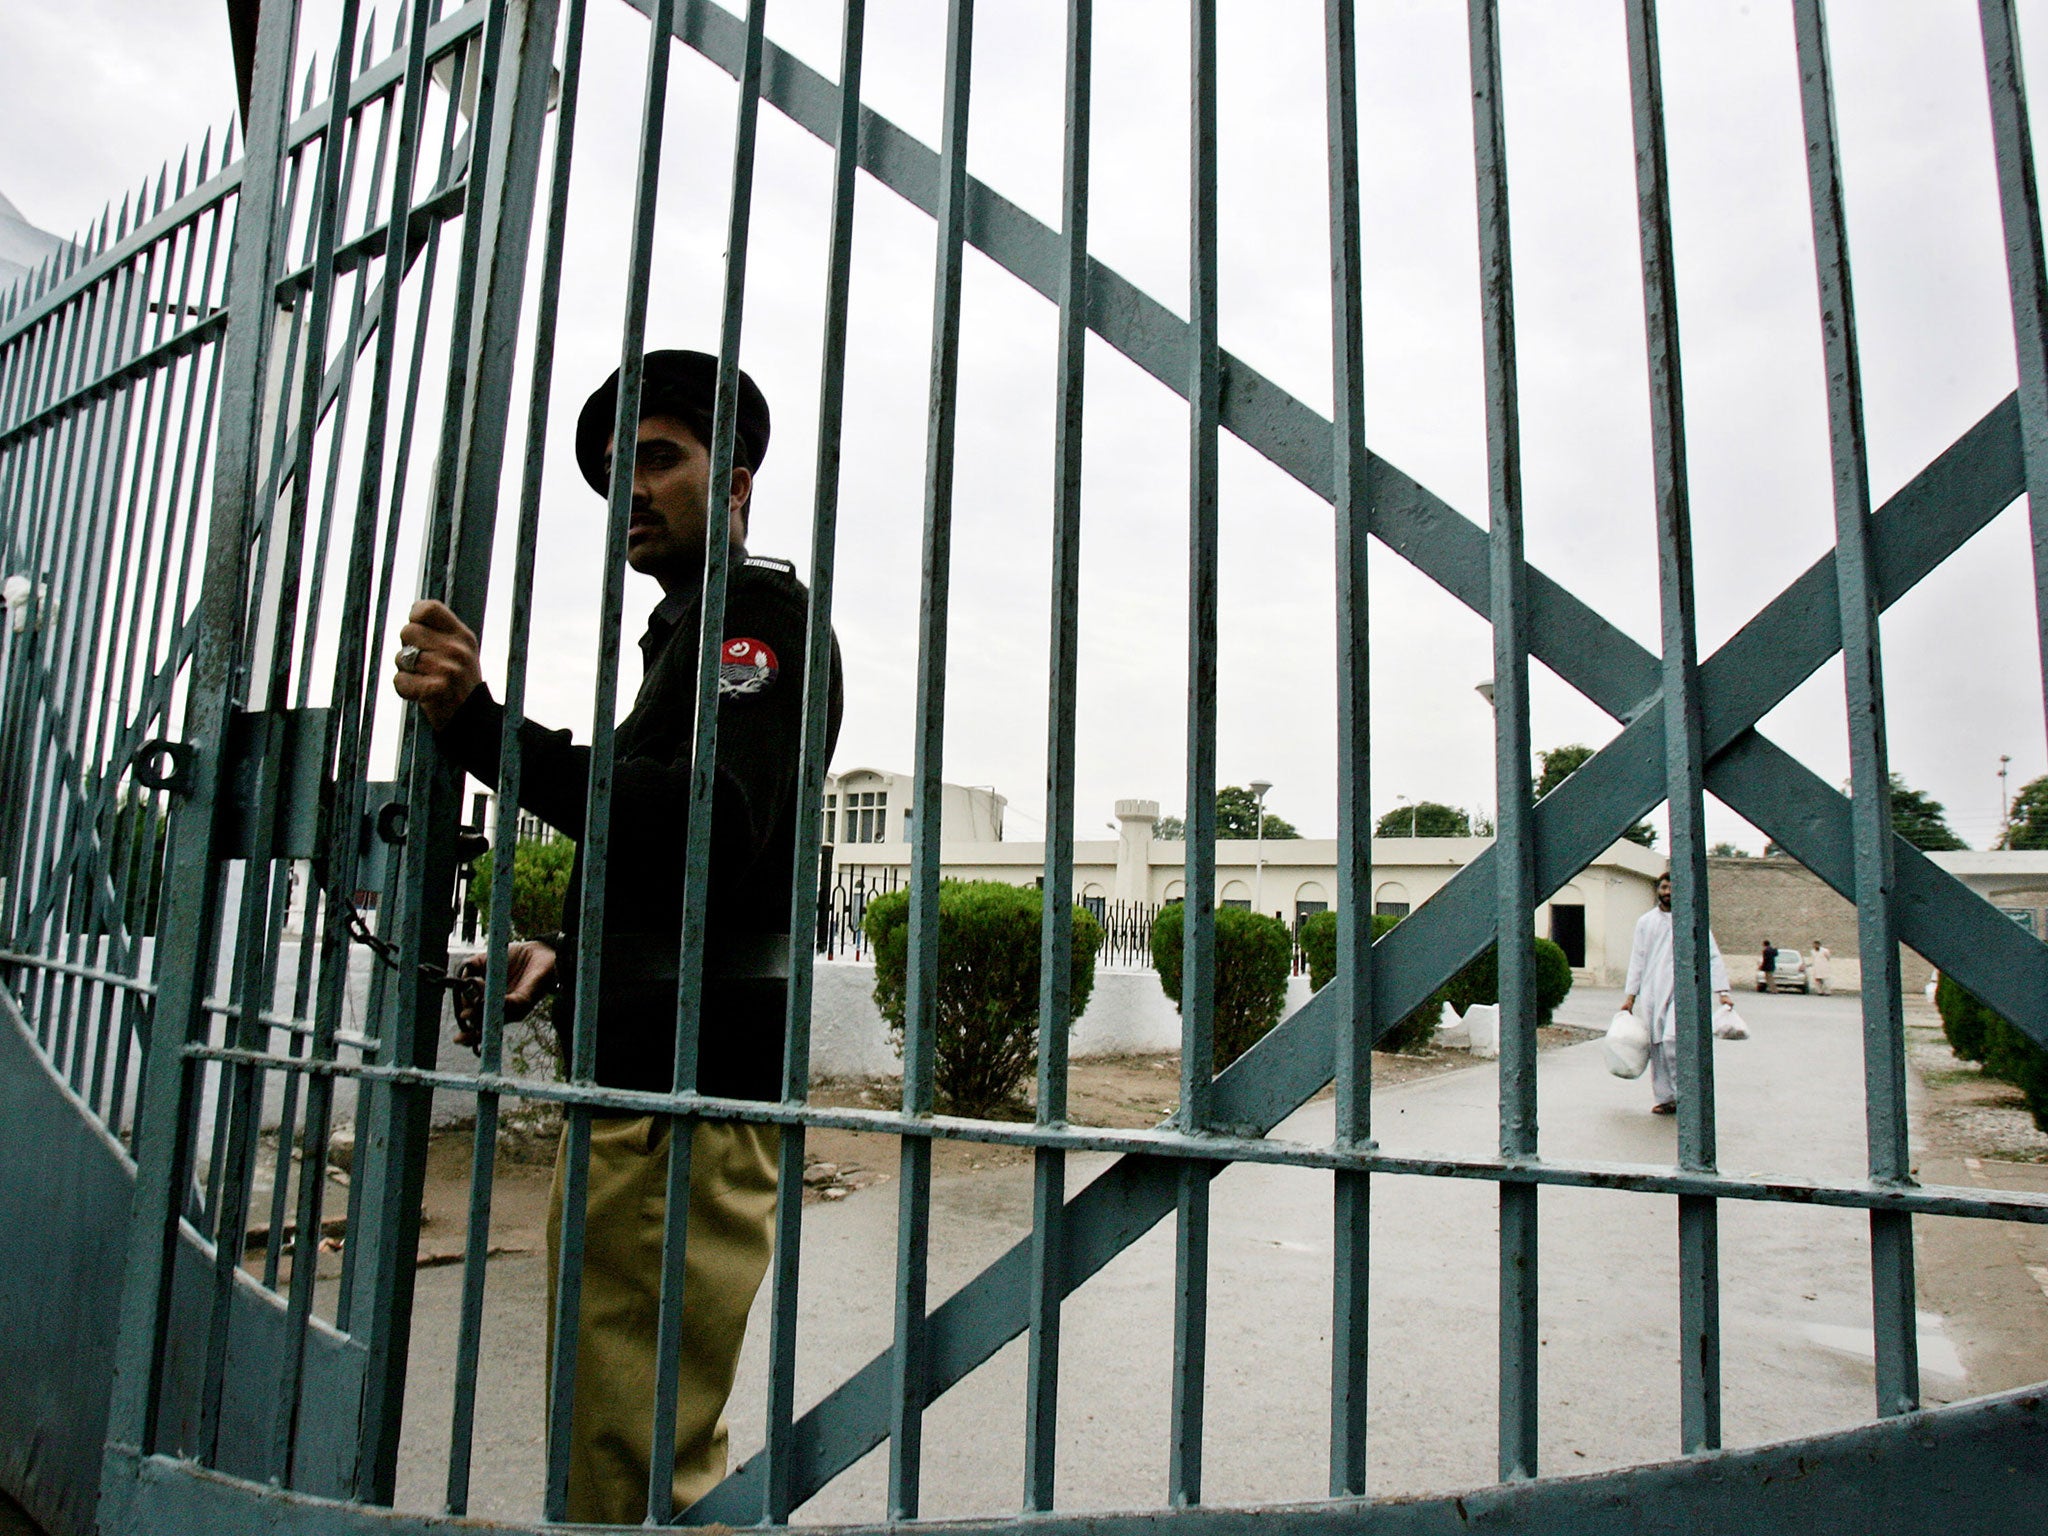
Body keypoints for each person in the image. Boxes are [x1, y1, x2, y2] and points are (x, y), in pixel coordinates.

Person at [391, 349, 843, 1523]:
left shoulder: (755, 617)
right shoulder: (688, 634)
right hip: (644, 1096)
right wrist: (572, 948)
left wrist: (483, 728)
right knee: (617, 1445)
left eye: (658, 459)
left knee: (630, 1469)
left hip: (678, 1112)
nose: (628, 489)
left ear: (733, 482)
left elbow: (707, 824)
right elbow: (681, 867)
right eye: (611, 469)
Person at [1620, 874, 1732, 1115]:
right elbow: (1637, 959)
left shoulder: (1692, 920)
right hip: (1652, 991)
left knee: (1673, 1039)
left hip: (1683, 990)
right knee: (1657, 1045)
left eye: (1672, 887)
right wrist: (1630, 997)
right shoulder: (1646, 922)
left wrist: (1722, 992)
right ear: (1658, 890)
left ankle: (1687, 1095)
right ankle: (1666, 1098)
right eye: (1664, 887)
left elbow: (1711, 954)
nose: (1668, 891)